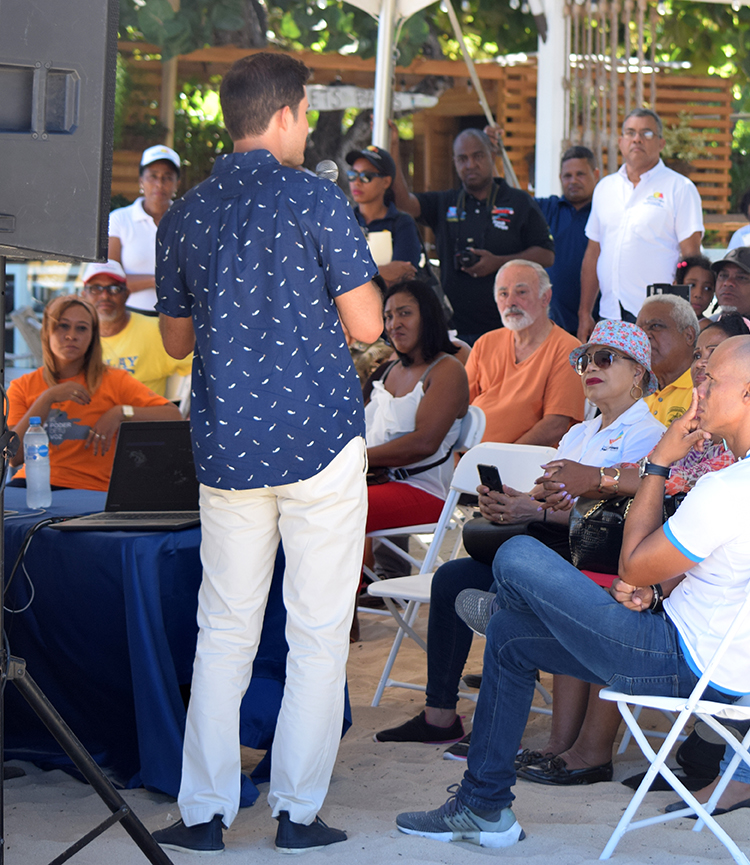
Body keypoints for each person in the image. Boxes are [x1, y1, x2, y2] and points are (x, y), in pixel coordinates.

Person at [395, 335, 750, 845]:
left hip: (675, 661)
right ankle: (482, 806)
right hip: (730, 666)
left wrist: (658, 463)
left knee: (516, 554)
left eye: (712, 381)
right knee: (509, 637)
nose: (698, 390)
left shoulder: (728, 487)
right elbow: (724, 570)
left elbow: (634, 566)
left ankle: (520, 613)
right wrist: (653, 592)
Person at [150, 52, 384, 853]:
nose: (309, 126)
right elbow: (367, 325)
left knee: (223, 629)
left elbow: (175, 340)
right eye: (308, 112)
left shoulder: (185, 211)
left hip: (228, 446)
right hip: (319, 437)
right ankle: (297, 813)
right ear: (285, 114)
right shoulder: (316, 198)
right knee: (316, 630)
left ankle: (204, 813)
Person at [374, 321, 663, 761]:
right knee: (452, 579)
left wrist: (535, 511)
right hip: (550, 544)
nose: (591, 368)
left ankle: (499, 726)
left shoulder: (649, 434)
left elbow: (620, 516)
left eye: (605, 359)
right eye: (585, 361)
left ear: (638, 371)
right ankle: (440, 715)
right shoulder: (579, 433)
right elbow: (544, 495)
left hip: (593, 555)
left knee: (507, 588)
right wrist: (511, 504)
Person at [390, 127, 555, 344]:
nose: (470, 165)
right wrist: (393, 146)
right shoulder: (445, 202)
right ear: (454, 162)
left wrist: (498, 262)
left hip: (509, 328)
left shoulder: (518, 201)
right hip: (454, 329)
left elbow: (547, 255)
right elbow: (403, 203)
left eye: (478, 156)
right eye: (462, 159)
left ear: (492, 155)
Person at [5, 295, 180, 492]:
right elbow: (13, 457)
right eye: (63, 326)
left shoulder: (114, 380)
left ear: (92, 336)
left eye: (81, 328)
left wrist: (121, 412)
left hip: (90, 489)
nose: (71, 335)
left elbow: (174, 416)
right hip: (31, 487)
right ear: (47, 330)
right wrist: (47, 398)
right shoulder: (22, 386)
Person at [579, 109, 705, 339]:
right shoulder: (605, 188)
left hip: (658, 318)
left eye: (646, 133)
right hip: (609, 314)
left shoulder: (680, 188)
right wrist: (584, 313)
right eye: (630, 133)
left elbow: (692, 258)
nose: (637, 139)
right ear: (620, 142)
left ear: (661, 143)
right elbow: (593, 253)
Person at [363, 280, 469, 548]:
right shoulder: (387, 370)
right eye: (388, 316)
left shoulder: (447, 369)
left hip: (422, 490)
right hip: (374, 482)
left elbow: (424, 443)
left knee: (332, 507)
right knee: (304, 499)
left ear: (428, 316)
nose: (394, 323)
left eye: (405, 313)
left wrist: (358, 460)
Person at [465, 260, 586, 446]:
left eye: (521, 292)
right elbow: (459, 410)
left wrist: (503, 457)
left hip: (525, 459)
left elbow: (555, 426)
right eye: (503, 294)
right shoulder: (485, 343)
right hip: (469, 455)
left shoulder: (567, 348)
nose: (510, 302)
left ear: (545, 297)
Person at [81, 259, 192, 398]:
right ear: (83, 295)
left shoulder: (157, 332)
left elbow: (200, 365)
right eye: (95, 288)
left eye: (114, 289)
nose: (105, 295)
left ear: (127, 294)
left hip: (143, 411)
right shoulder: (72, 335)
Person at [108, 144, 182, 314]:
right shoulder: (119, 219)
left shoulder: (186, 221)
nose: (159, 184)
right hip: (128, 316)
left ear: (177, 184)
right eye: (153, 176)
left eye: (167, 177)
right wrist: (156, 280)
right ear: (141, 180)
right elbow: (109, 278)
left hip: (177, 319)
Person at [537, 145, 600, 333]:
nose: (573, 181)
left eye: (580, 174)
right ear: (560, 178)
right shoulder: (546, 209)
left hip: (598, 322)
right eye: (567, 176)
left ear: (596, 174)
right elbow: (507, 201)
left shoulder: (606, 212)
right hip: (553, 324)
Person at [346, 144, 423, 285]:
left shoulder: (402, 223)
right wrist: (383, 272)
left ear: (386, 182)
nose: (356, 182)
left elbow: (403, 276)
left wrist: (354, 275)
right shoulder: (342, 222)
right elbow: (331, 275)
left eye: (366, 176)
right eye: (352, 175)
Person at [638, 293, 700, 427]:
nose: (644, 336)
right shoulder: (634, 389)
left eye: (655, 326)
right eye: (639, 330)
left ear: (689, 335)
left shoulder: (703, 389)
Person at [677, 255, 717, 319]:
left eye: (707, 288)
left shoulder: (709, 325)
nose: (698, 294)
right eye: (691, 285)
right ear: (676, 285)